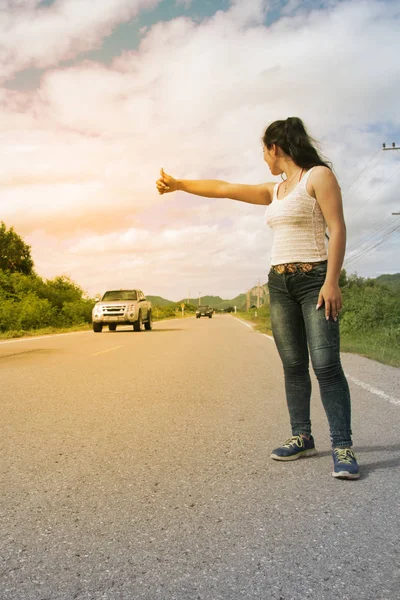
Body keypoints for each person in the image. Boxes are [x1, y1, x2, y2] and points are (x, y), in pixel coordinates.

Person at [155, 116, 359, 480]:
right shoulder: (275, 190)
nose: (263, 158)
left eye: (264, 151)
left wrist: (332, 282)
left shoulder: (319, 177)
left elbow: (337, 227)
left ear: (275, 148)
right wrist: (181, 185)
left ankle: (342, 447)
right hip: (279, 284)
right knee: (293, 365)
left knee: (326, 364)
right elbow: (224, 188)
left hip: (314, 280)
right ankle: (302, 436)